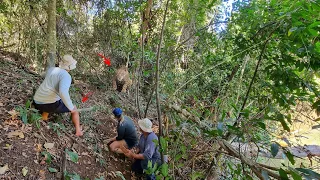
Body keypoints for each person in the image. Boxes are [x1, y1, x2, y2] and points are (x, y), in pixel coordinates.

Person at [33, 54, 83, 136]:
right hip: (48, 104)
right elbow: (63, 92)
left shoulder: (52, 69)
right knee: (75, 109)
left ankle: (44, 117)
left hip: (37, 101)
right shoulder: (66, 76)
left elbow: (43, 75)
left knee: (53, 98)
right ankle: (78, 131)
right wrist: (71, 108)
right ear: (70, 67)